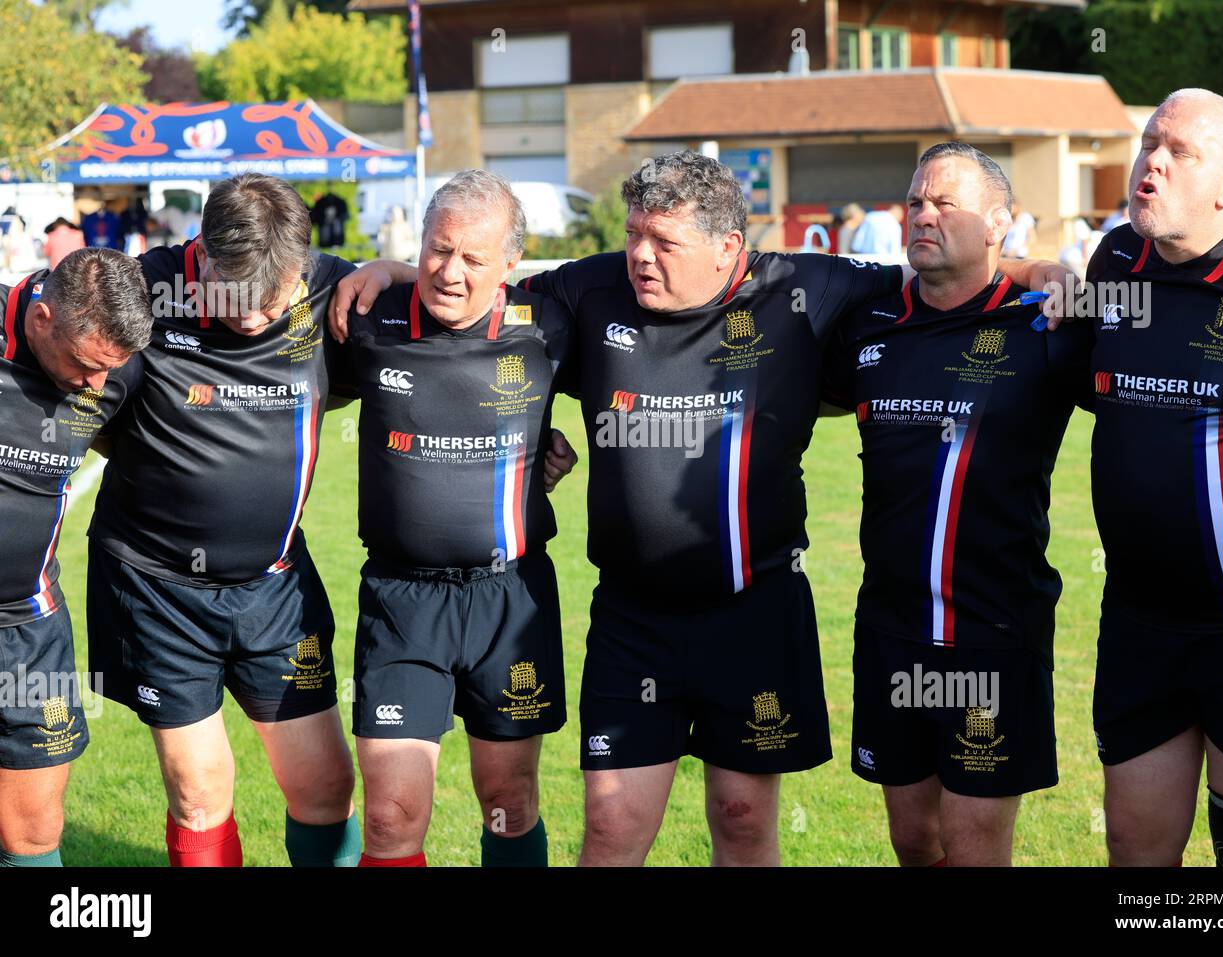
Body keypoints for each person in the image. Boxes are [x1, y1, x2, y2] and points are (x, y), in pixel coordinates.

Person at [335, 150, 1065, 866]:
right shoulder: (589, 294)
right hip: (632, 620)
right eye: (632, 236)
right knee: (613, 827)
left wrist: (1037, 269)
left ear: (728, 250)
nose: (641, 258)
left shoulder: (805, 290)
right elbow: (479, 296)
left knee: (744, 821)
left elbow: (946, 276)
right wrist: (395, 270)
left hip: (756, 611)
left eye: (664, 242)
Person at [84, 173, 406, 867]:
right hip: (154, 585)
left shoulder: (332, 291)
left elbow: (460, 314)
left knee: (325, 784)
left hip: (273, 588)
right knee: (200, 791)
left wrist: (393, 267)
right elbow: (79, 397)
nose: (259, 316)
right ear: (202, 256)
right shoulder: (144, 293)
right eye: (242, 298)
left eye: (276, 297)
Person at [825, 143, 1092, 866]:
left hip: (995, 631)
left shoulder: (1049, 324)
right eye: (915, 201)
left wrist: (1047, 272)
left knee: (975, 847)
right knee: (915, 840)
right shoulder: (868, 318)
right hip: (890, 629)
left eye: (946, 203)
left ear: (998, 224)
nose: (923, 214)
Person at [337, 170, 577, 867]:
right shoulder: (368, 315)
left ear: (511, 265)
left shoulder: (551, 326)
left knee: (509, 799)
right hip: (401, 601)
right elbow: (273, 275)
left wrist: (550, 455)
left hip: (511, 601)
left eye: (475, 258)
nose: (450, 272)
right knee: (389, 811)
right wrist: (377, 268)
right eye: (439, 250)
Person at [1087, 88, 1223, 867]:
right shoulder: (1114, 259)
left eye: (1181, 152)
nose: (1153, 163)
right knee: (1135, 856)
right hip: (1139, 625)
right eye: (1150, 143)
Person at [0, 248, 152, 866]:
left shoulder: (118, 371)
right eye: (85, 366)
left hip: (29, 626)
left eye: (109, 372)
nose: (96, 385)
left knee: (33, 831)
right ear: (40, 320)